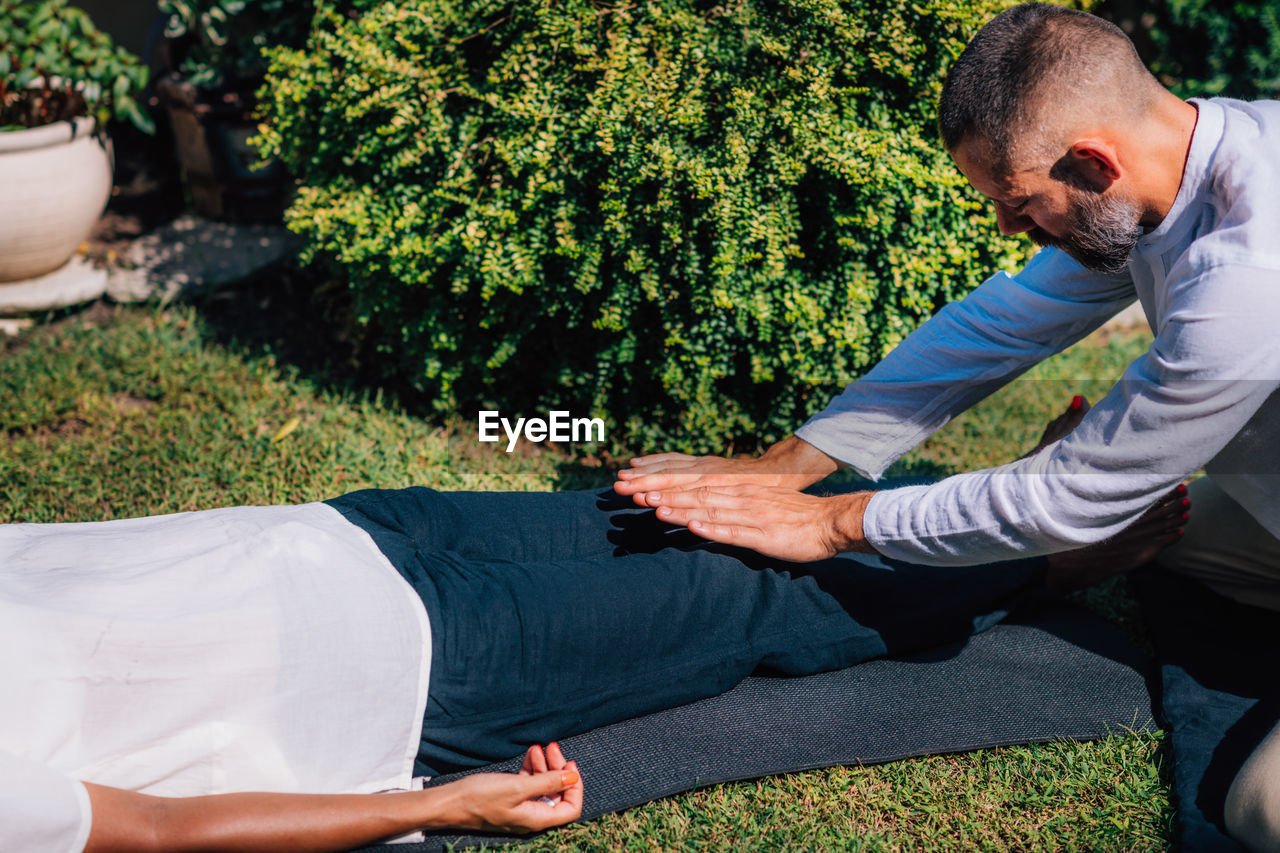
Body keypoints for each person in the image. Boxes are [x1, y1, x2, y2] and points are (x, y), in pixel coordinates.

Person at [613, 5, 1280, 851]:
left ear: (1092, 162)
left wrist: (830, 523)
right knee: (1159, 536)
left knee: (1260, 812)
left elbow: (1072, 492)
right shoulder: (1172, 171)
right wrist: (785, 468)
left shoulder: (1252, 269)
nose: (1006, 227)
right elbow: (998, 327)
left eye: (1018, 202)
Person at [2, 405, 1184, 853]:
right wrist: (434, 803)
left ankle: (998, 507)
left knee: (658, 513)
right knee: (749, 595)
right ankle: (1048, 549)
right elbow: (153, 828)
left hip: (338, 532)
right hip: (415, 663)